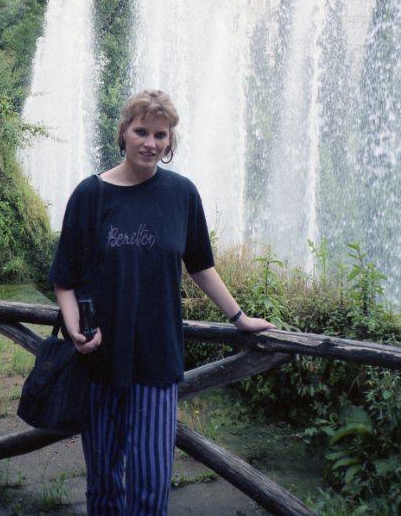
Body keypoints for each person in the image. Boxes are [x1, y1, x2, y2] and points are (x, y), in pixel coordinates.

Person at [49, 88, 275, 516]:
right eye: (141, 131)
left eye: (160, 134)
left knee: (151, 486)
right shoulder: (90, 195)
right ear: (124, 133)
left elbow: (201, 266)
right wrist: (75, 327)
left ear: (170, 140)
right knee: (103, 483)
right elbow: (65, 277)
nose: (150, 142)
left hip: (157, 357)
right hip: (100, 359)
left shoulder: (181, 194)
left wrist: (239, 317)